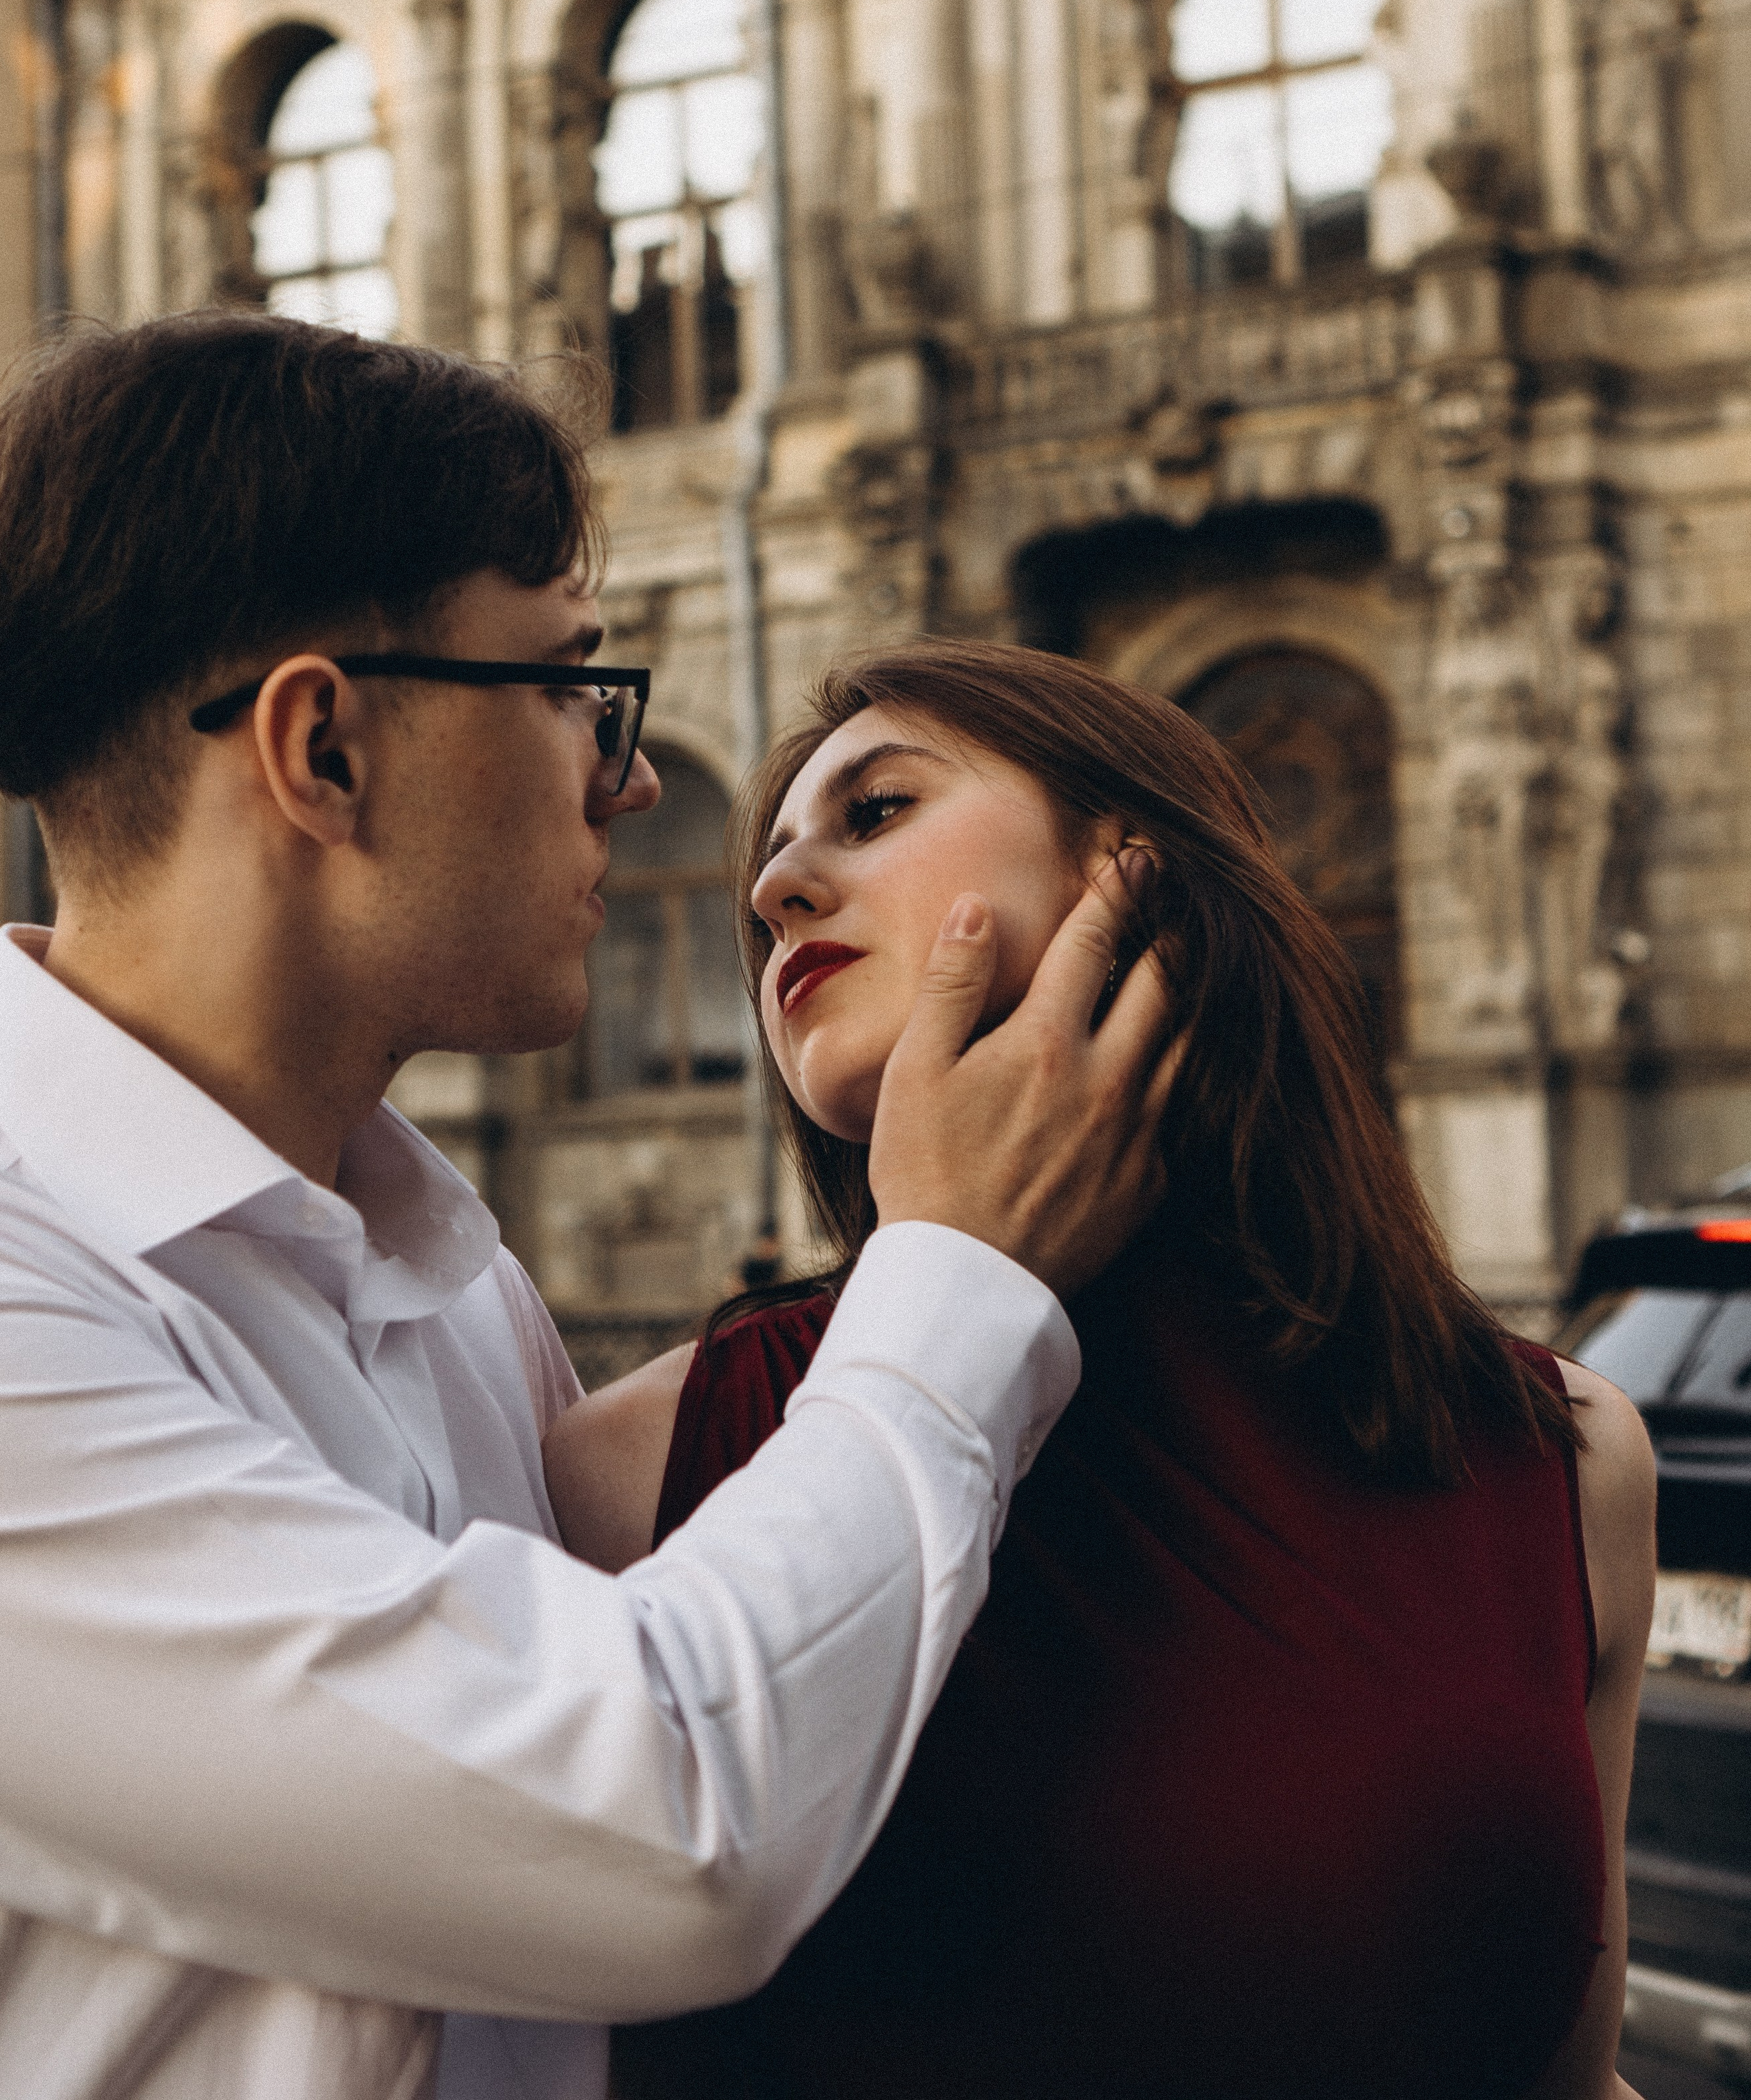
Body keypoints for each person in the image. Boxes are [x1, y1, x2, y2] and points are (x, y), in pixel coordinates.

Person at [0, 319, 1181, 2100]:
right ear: (323, 751)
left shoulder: (435, 1263)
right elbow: (654, 1832)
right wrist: (961, 1275)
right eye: (567, 689)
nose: (629, 778)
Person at [547, 640, 1659, 2100]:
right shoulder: (632, 1468)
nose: (772, 891)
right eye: (768, 864)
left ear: (1130, 871)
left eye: (873, 811)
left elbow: (1570, 2081)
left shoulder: (1562, 1462)